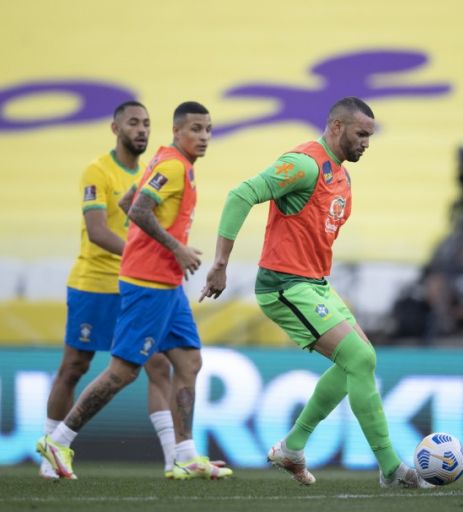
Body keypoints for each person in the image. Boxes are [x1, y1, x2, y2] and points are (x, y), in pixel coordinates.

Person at [200, 97, 430, 488]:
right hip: (284, 286)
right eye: (361, 134)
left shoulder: (341, 176)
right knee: (358, 357)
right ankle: (391, 467)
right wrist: (221, 263)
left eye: (370, 136)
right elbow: (241, 194)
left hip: (315, 284)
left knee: (360, 361)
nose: (366, 144)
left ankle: (293, 446)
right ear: (337, 127)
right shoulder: (304, 163)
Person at [36, 101, 232, 481]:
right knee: (123, 371)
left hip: (167, 283)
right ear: (177, 132)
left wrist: (161, 250)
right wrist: (174, 247)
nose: (204, 137)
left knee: (188, 361)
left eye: (208, 129)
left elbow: (128, 202)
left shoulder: (165, 161)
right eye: (196, 129)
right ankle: (58, 440)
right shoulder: (173, 165)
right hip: (148, 283)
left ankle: (185, 454)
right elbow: (140, 210)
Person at [39, 101, 175, 480]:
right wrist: (150, 254)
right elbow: (98, 232)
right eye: (134, 123)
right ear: (115, 128)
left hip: (135, 285)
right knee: (74, 367)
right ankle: (50, 453)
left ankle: (173, 459)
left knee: (158, 364)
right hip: (95, 283)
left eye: (147, 123)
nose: (142, 130)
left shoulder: (152, 174)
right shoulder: (97, 171)